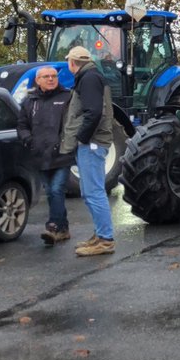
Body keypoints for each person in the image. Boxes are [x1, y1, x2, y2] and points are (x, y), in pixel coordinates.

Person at [60, 46, 117, 256]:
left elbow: (93, 112)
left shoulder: (89, 79)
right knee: (89, 192)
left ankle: (106, 240)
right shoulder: (90, 76)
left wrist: (81, 138)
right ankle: (100, 234)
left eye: (68, 62)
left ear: (73, 62)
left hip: (92, 143)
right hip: (92, 142)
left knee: (94, 192)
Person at [16, 66, 74, 245]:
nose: (51, 79)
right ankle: (63, 228)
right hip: (39, 155)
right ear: (38, 80)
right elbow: (22, 125)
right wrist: (28, 139)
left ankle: (53, 226)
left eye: (54, 76)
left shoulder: (67, 97)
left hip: (62, 154)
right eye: (46, 76)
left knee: (56, 189)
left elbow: (74, 123)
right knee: (50, 192)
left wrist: (66, 143)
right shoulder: (29, 101)